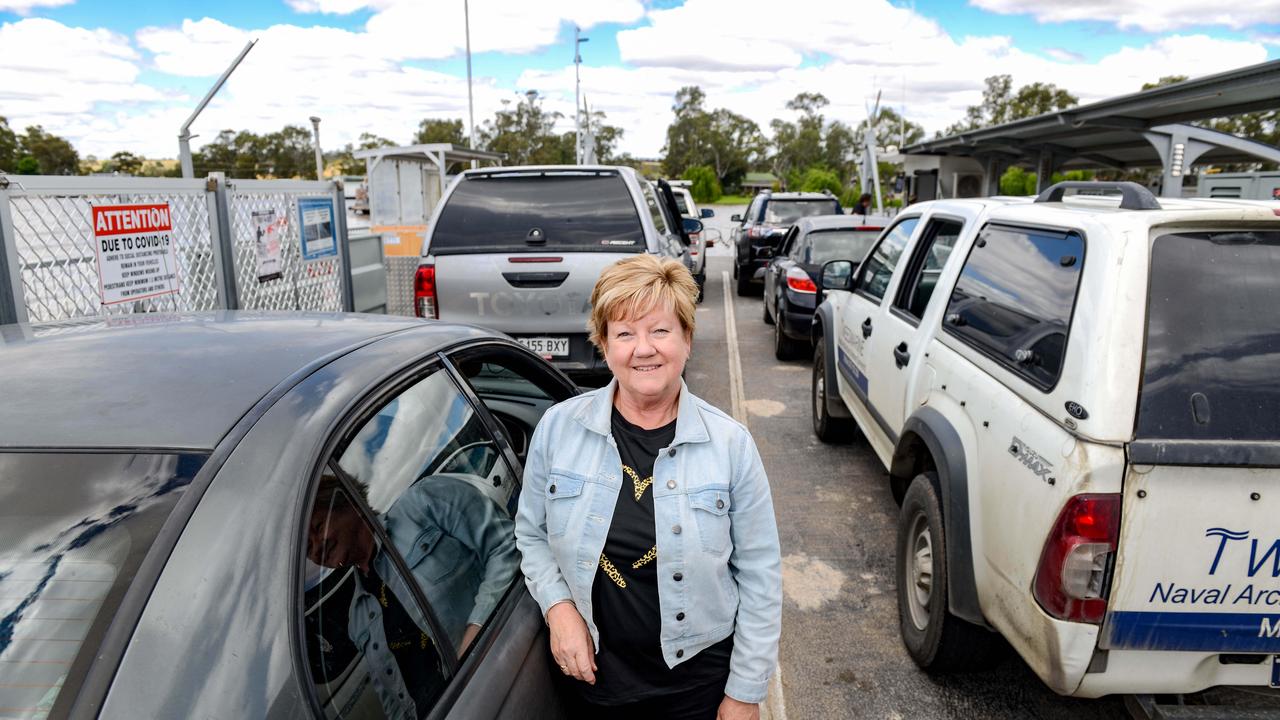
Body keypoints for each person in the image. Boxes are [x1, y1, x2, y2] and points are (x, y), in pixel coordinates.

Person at [515, 254, 782, 720]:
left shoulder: (731, 445)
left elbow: (760, 575)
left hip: (699, 686)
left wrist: (744, 692)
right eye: (624, 333)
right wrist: (558, 609)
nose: (644, 349)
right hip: (596, 683)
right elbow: (531, 534)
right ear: (603, 344)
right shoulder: (558, 430)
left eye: (660, 330)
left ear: (687, 340)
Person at [305, 470, 519, 718]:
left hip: (502, 675)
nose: (318, 546)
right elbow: (395, 704)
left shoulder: (425, 502)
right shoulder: (358, 618)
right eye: (309, 547)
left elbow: (505, 546)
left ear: (349, 501)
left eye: (318, 527)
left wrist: (476, 632)